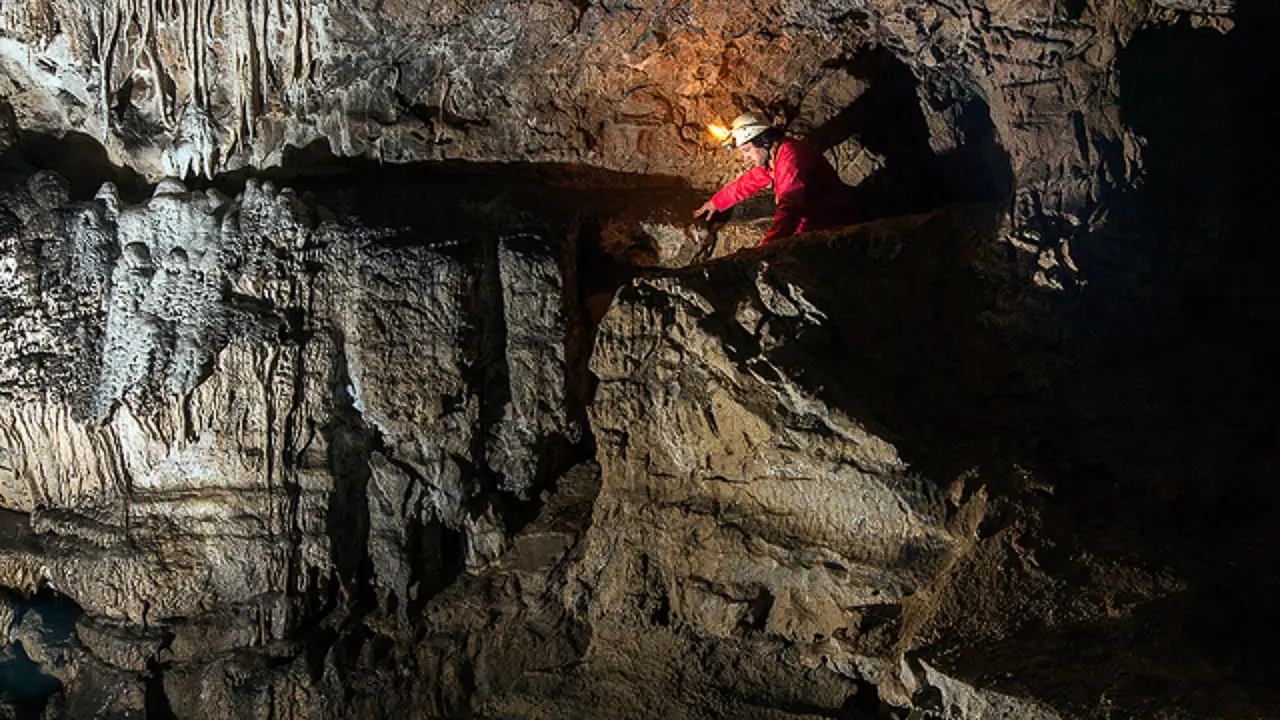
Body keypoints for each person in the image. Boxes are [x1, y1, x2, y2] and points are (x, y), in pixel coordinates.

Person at [694, 113, 857, 246]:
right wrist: (716, 203)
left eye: (747, 150)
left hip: (830, 225)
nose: (746, 158)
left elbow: (789, 209)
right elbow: (749, 181)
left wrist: (766, 247)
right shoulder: (775, 156)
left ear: (763, 141)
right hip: (812, 222)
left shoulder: (791, 158)